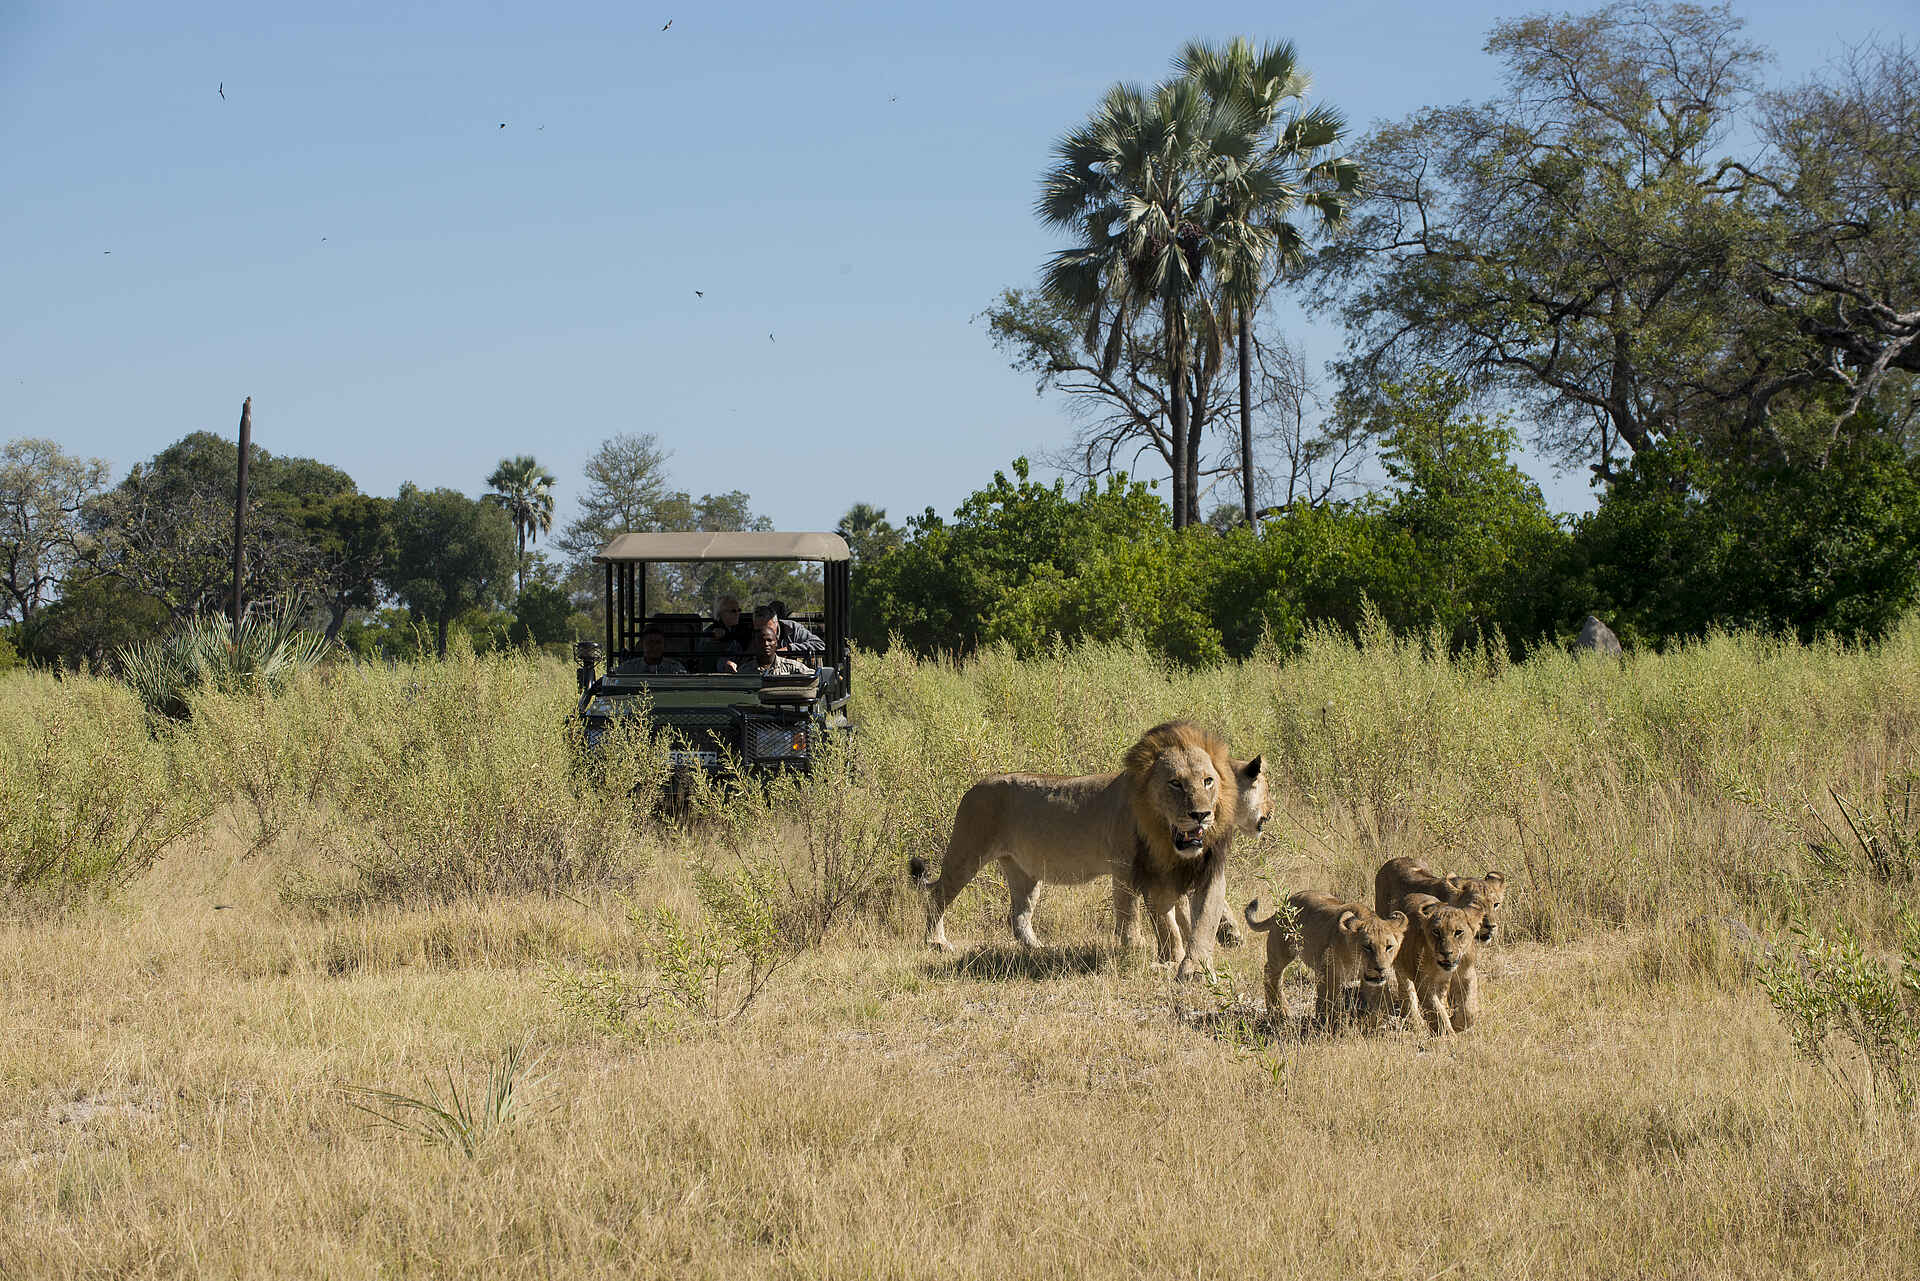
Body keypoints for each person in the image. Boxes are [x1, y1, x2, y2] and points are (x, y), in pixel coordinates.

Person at [725, 618, 814, 677]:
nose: (766, 644)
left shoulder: (793, 667)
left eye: (769, 640)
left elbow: (814, 678)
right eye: (761, 641)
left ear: (776, 643)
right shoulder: (745, 671)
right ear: (755, 644)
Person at [752, 603, 825, 658]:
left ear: (776, 622)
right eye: (758, 630)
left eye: (768, 628)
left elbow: (820, 646)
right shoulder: (750, 635)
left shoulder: (792, 628)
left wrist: (789, 649)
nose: (764, 632)